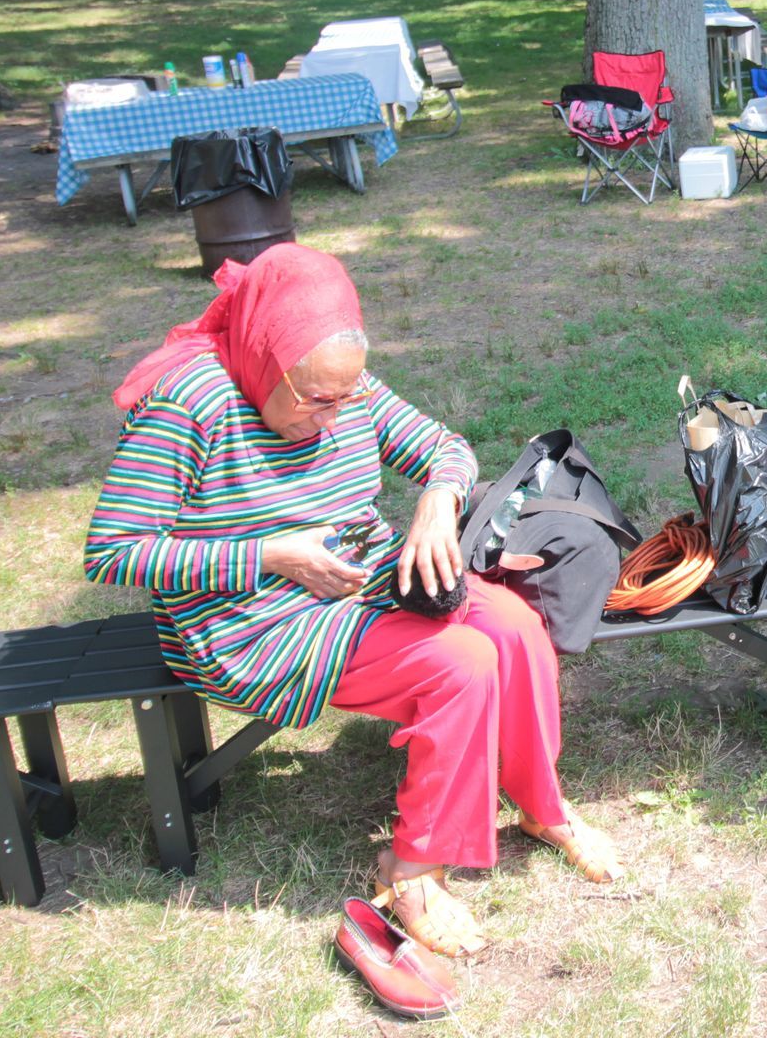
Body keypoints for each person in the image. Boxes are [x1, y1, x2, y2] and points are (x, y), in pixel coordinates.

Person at [83, 245, 622, 959]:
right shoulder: (190, 405)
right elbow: (114, 549)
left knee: (515, 626)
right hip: (249, 623)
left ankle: (541, 806)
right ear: (260, 354)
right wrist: (270, 555)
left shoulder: (341, 384)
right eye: (313, 399)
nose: (332, 416)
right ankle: (413, 870)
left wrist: (437, 499)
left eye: (343, 398)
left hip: (354, 582)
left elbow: (445, 447)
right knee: (459, 663)